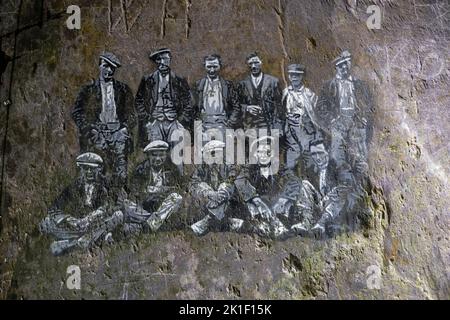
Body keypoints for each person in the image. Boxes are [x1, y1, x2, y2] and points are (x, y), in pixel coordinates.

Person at [315, 50, 374, 232]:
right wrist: (333, 120)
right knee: (341, 166)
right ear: (335, 67)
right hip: (338, 128)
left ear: (350, 64)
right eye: (340, 64)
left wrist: (363, 119)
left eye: (346, 63)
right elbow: (320, 108)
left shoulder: (360, 85)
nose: (343, 67)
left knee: (360, 167)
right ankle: (334, 213)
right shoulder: (329, 86)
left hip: (357, 128)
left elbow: (368, 105)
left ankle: (357, 210)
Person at [71, 52, 136, 186]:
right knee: (98, 168)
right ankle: (97, 198)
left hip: (118, 132)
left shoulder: (123, 89)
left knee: (120, 169)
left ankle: (119, 195)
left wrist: (124, 129)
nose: (109, 70)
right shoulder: (88, 90)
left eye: (112, 68)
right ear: (99, 66)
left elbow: (132, 114)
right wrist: (91, 130)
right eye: (106, 66)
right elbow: (77, 113)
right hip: (97, 133)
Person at [39, 153, 123, 255]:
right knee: (46, 222)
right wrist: (68, 218)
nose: (89, 172)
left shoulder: (107, 183)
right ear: (81, 169)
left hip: (97, 224)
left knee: (118, 215)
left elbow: (118, 203)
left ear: (99, 169)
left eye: (92, 169)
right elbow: (54, 207)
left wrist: (96, 214)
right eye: (85, 168)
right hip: (77, 225)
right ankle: (86, 240)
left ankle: (77, 243)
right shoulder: (74, 186)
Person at [235, 136, 299, 238]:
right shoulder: (250, 167)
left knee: (286, 206)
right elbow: (240, 181)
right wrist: (255, 199)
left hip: (275, 203)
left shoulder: (279, 167)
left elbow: (294, 180)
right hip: (257, 206)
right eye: (260, 152)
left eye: (267, 152)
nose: (264, 156)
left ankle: (280, 227)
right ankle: (260, 227)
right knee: (251, 207)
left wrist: (283, 199)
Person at [122, 140, 184, 235]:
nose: (158, 158)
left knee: (176, 198)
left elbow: (176, 190)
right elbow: (135, 193)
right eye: (154, 155)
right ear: (148, 156)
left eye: (161, 155)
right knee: (126, 204)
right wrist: (151, 194)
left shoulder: (172, 169)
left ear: (166, 155)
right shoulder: (140, 170)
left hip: (162, 207)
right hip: (144, 208)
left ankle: (145, 226)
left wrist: (158, 194)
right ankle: (154, 224)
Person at [135, 48, 192, 147]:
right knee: (156, 150)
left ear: (170, 60)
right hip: (155, 121)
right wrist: (147, 119)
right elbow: (139, 100)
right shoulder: (148, 80)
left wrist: (181, 119)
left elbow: (189, 101)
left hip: (174, 121)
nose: (162, 62)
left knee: (177, 153)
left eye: (165, 59)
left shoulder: (179, 80)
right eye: (158, 59)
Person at [189, 140, 243, 236]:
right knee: (203, 185)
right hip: (208, 200)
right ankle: (229, 222)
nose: (217, 157)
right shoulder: (201, 168)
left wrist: (221, 192)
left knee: (226, 186)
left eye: (219, 154)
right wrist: (209, 193)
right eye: (213, 154)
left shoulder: (228, 165)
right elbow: (193, 184)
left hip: (227, 200)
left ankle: (208, 220)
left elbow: (232, 178)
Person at [282, 63, 323, 170]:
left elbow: (317, 112)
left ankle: (308, 181)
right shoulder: (285, 93)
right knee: (291, 160)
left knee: (308, 158)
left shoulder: (308, 93)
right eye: (292, 75)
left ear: (302, 77)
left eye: (297, 75)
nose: (294, 78)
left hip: (305, 129)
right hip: (290, 130)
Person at [192, 54, 241, 132]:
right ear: (204, 66)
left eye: (215, 67)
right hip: (203, 125)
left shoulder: (228, 85)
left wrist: (230, 123)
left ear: (220, 66)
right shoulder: (198, 85)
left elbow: (236, 107)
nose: (212, 70)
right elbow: (192, 107)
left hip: (223, 124)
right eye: (209, 67)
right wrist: (197, 124)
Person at [238, 52, 283, 134]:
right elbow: (237, 105)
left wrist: (277, 127)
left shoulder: (273, 82)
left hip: (269, 124)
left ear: (261, 62)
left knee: (270, 146)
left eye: (256, 63)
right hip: (250, 126)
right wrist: (247, 108)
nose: (253, 66)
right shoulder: (242, 83)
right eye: (250, 63)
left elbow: (279, 105)